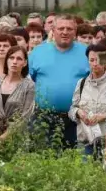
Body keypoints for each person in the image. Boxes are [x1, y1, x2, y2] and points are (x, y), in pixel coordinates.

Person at [28, 14, 90, 150]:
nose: (65, 32)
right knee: (42, 159)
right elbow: (32, 78)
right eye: (61, 28)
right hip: (43, 118)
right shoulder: (38, 52)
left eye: (69, 29)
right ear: (53, 30)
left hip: (76, 119)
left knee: (74, 160)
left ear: (75, 31)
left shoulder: (86, 52)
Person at [69, 44, 106, 159]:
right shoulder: (81, 83)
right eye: (92, 60)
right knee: (85, 175)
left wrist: (104, 116)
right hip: (85, 142)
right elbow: (72, 109)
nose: (95, 63)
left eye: (98, 60)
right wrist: (78, 113)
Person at [0, 46, 36, 143]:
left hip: (16, 137)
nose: (14, 61)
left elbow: (25, 116)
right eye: (11, 58)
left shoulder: (29, 85)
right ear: (7, 60)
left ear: (25, 63)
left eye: (19, 59)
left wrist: (3, 137)